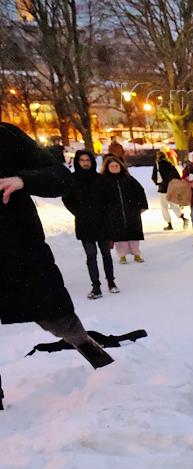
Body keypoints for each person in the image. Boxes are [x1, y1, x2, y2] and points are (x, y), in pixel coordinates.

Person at [1, 121, 113, 410]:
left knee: (57, 315)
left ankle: (99, 359)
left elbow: (61, 177)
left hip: (18, 251)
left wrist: (22, 180)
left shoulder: (6, 136)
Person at [62, 149, 116, 299]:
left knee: (106, 254)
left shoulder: (101, 179)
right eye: (82, 160)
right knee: (91, 256)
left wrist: (105, 212)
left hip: (103, 222)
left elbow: (111, 199)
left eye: (88, 160)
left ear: (92, 162)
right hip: (84, 224)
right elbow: (67, 199)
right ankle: (96, 286)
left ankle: (111, 282)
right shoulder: (72, 180)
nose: (85, 163)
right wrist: (79, 212)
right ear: (77, 162)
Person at [101, 153, 148, 266]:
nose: (114, 168)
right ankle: (122, 255)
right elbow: (100, 197)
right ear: (107, 168)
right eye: (112, 166)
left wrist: (142, 205)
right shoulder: (104, 181)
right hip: (114, 214)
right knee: (119, 236)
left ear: (120, 166)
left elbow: (140, 191)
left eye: (116, 166)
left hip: (131, 212)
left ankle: (136, 254)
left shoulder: (128, 179)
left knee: (134, 235)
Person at [151, 149, 185, 230]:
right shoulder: (170, 165)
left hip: (163, 189)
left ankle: (169, 224)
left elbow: (154, 177)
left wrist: (158, 183)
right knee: (173, 205)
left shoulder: (157, 165)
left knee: (164, 207)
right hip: (171, 188)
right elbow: (177, 176)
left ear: (158, 157)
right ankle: (182, 217)